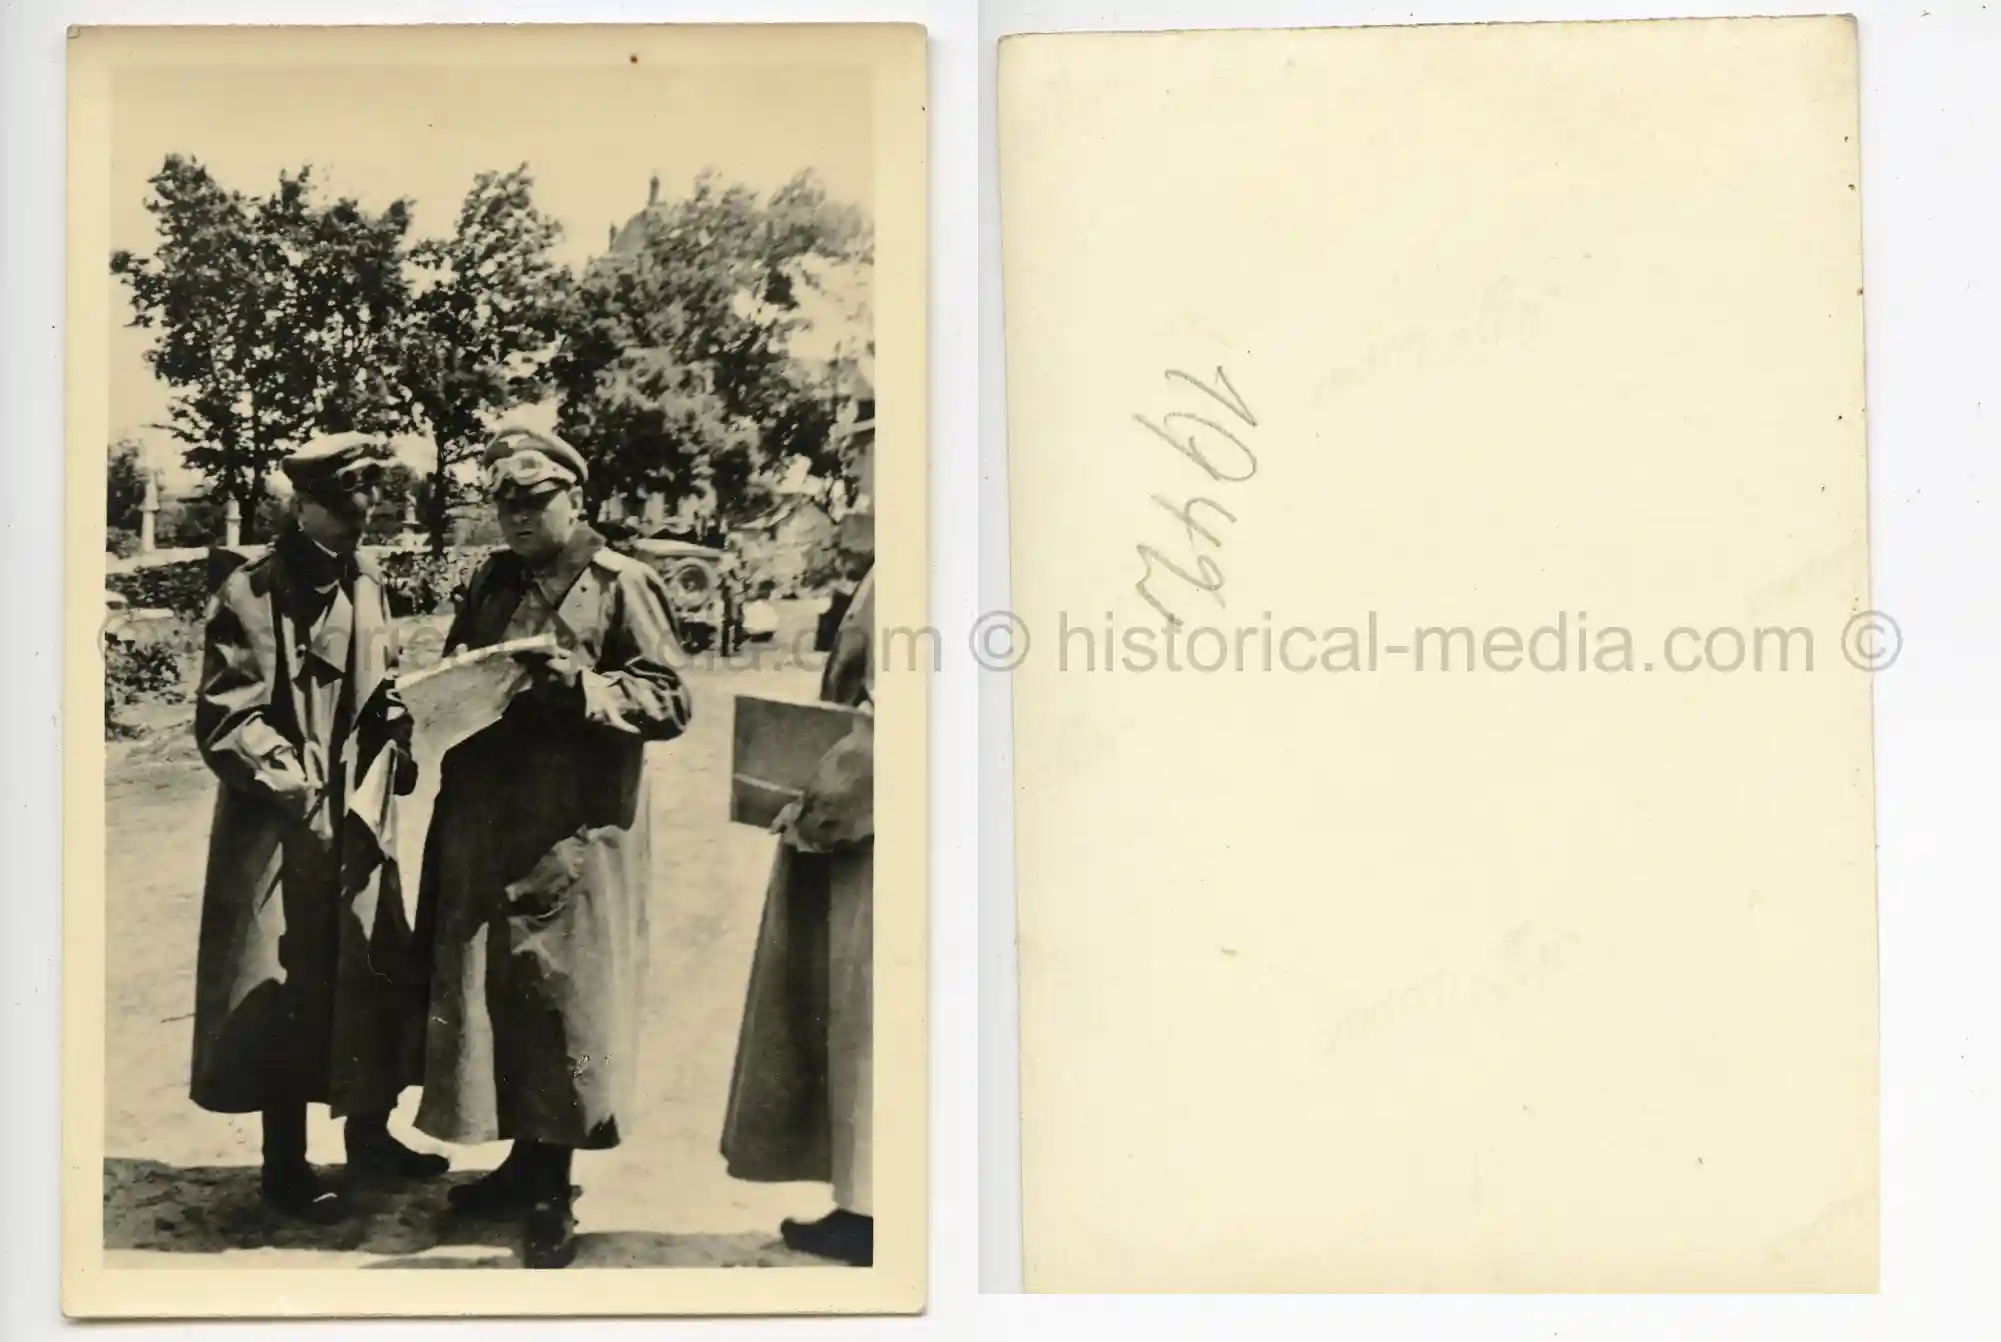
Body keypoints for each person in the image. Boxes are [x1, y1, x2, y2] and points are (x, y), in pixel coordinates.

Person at [412, 426, 693, 1270]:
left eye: (535, 502)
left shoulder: (620, 584)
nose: (519, 517)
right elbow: (465, 671)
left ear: (577, 500)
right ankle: (516, 1163)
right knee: (496, 994)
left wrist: (588, 687)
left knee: (562, 1004)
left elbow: (670, 700)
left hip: (572, 829)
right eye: (506, 503)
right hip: (487, 824)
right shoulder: (494, 582)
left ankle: (550, 1190)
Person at [189, 432, 444, 1223]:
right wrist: (298, 793)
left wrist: (402, 716)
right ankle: (285, 1166)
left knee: (368, 971)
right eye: (345, 503)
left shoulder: (365, 578)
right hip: (284, 831)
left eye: (368, 500)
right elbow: (229, 720)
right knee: (283, 988)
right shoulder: (253, 594)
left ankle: (368, 1135)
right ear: (302, 505)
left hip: (361, 817)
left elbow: (380, 680)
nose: (362, 515)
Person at [722, 523, 877, 1267]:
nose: (852, 465)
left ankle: (872, 1211)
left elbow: (884, 725)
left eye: (861, 447)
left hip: (875, 836)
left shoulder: (914, 571)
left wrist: (818, 811)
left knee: (868, 1018)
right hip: (891, 824)